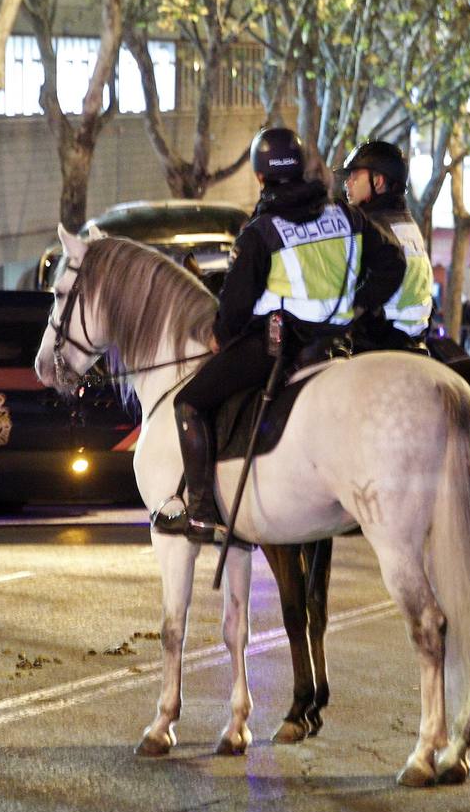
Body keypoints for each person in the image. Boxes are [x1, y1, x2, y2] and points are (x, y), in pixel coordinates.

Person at [168, 127, 407, 537]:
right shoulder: (347, 216)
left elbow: (237, 306)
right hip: (339, 345)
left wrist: (220, 337)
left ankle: (201, 511)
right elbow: (393, 263)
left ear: (260, 177)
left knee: (189, 402)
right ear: (301, 170)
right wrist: (357, 303)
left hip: (279, 347)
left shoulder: (261, 233)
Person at [333, 139, 433, 344]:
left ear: (377, 181)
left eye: (354, 176)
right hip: (415, 337)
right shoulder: (407, 224)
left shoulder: (369, 227)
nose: (347, 183)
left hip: (377, 339)